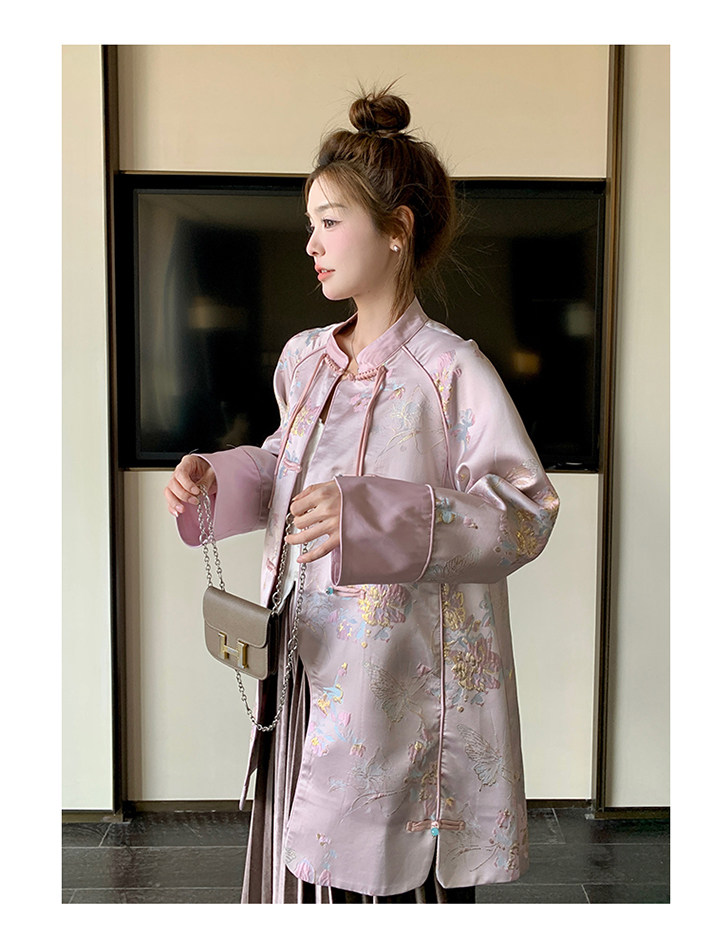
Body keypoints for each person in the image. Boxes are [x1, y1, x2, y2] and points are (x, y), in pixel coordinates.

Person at [164, 86, 560, 904]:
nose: (311, 243)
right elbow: (285, 465)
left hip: (398, 692)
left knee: (379, 878)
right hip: (304, 667)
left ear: (396, 228)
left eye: (330, 220)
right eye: (310, 222)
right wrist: (216, 477)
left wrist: (377, 515)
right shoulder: (304, 358)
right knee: (304, 859)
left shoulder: (450, 371)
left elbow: (525, 513)